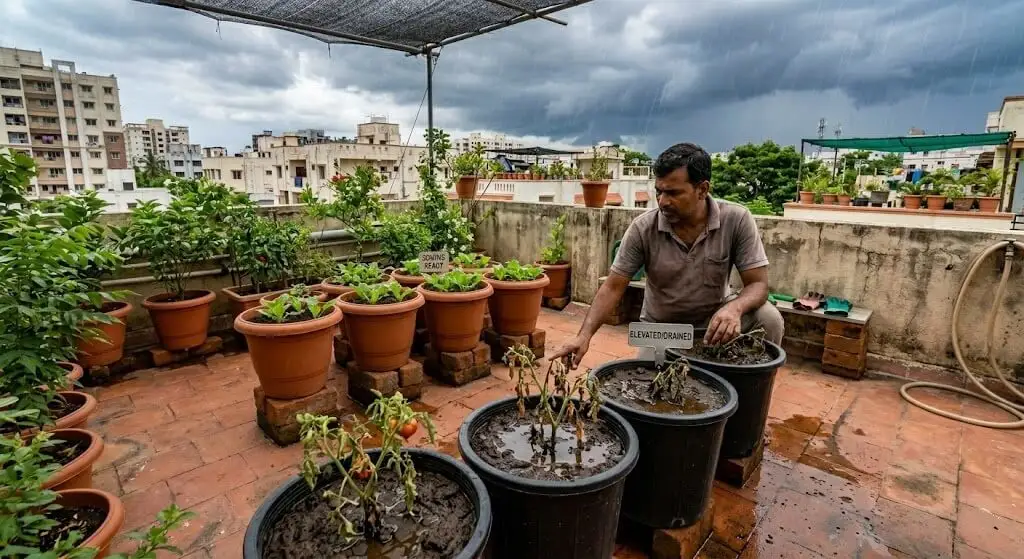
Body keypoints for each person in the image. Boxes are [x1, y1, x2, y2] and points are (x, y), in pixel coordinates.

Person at [552, 142, 784, 367]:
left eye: (673, 193)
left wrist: (734, 308)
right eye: (658, 192)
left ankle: (752, 390)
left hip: (712, 325)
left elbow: (758, 285)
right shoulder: (643, 228)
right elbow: (613, 287)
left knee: (769, 319)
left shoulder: (737, 219)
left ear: (702, 189)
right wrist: (583, 336)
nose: (662, 201)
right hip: (661, 330)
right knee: (649, 393)